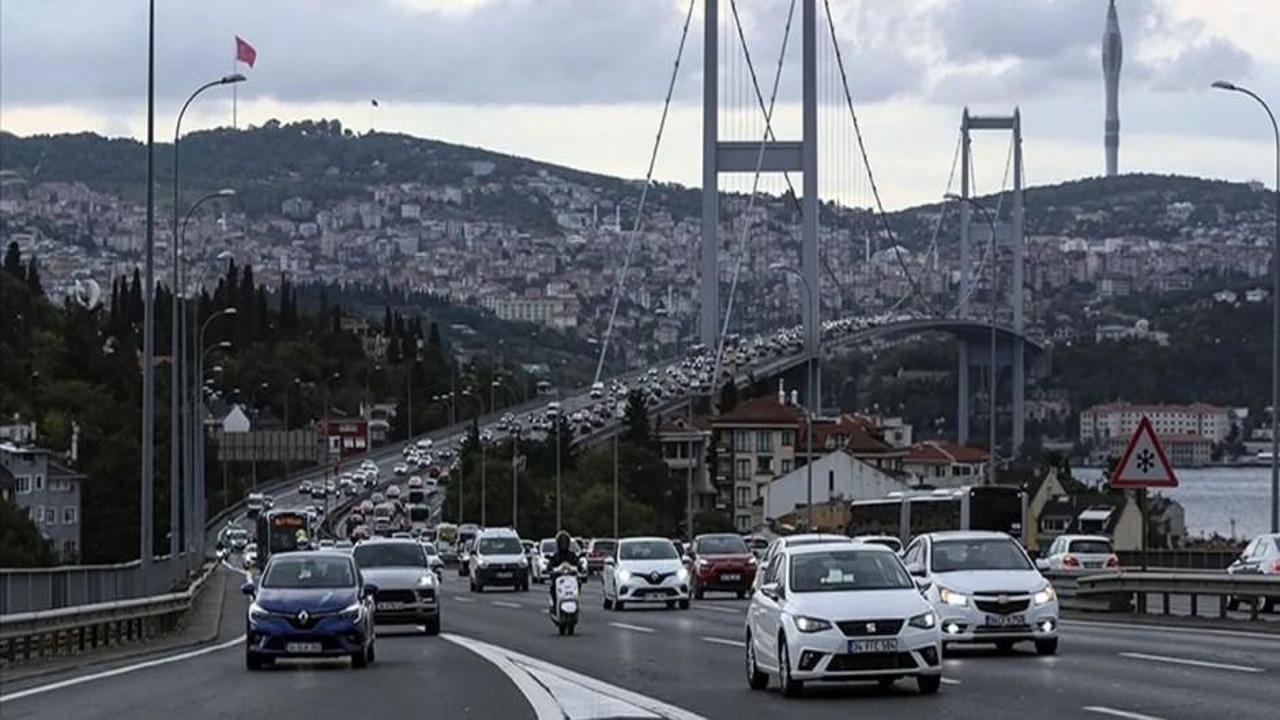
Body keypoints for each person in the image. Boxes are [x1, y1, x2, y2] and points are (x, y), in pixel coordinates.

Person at [548, 531, 579, 605]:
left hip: (570, 580)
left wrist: (578, 568)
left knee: (579, 583)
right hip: (559, 580)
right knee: (552, 586)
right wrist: (551, 570)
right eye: (562, 543)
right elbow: (550, 566)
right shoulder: (556, 556)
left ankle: (575, 601)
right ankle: (555, 604)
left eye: (565, 542)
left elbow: (578, 564)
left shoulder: (572, 555)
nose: (563, 545)